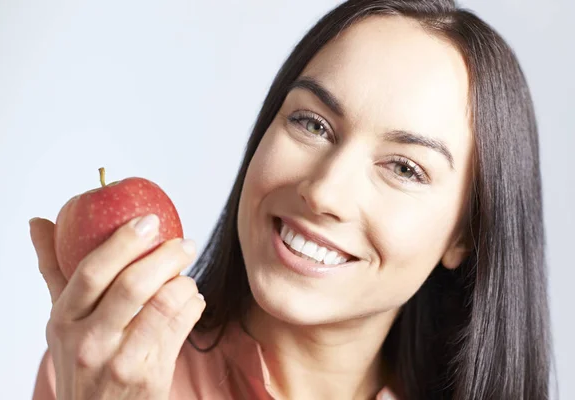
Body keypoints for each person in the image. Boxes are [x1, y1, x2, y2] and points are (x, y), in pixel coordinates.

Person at [29, 0, 552, 399]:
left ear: (465, 234)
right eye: (312, 123)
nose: (324, 191)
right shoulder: (102, 374)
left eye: (404, 167)